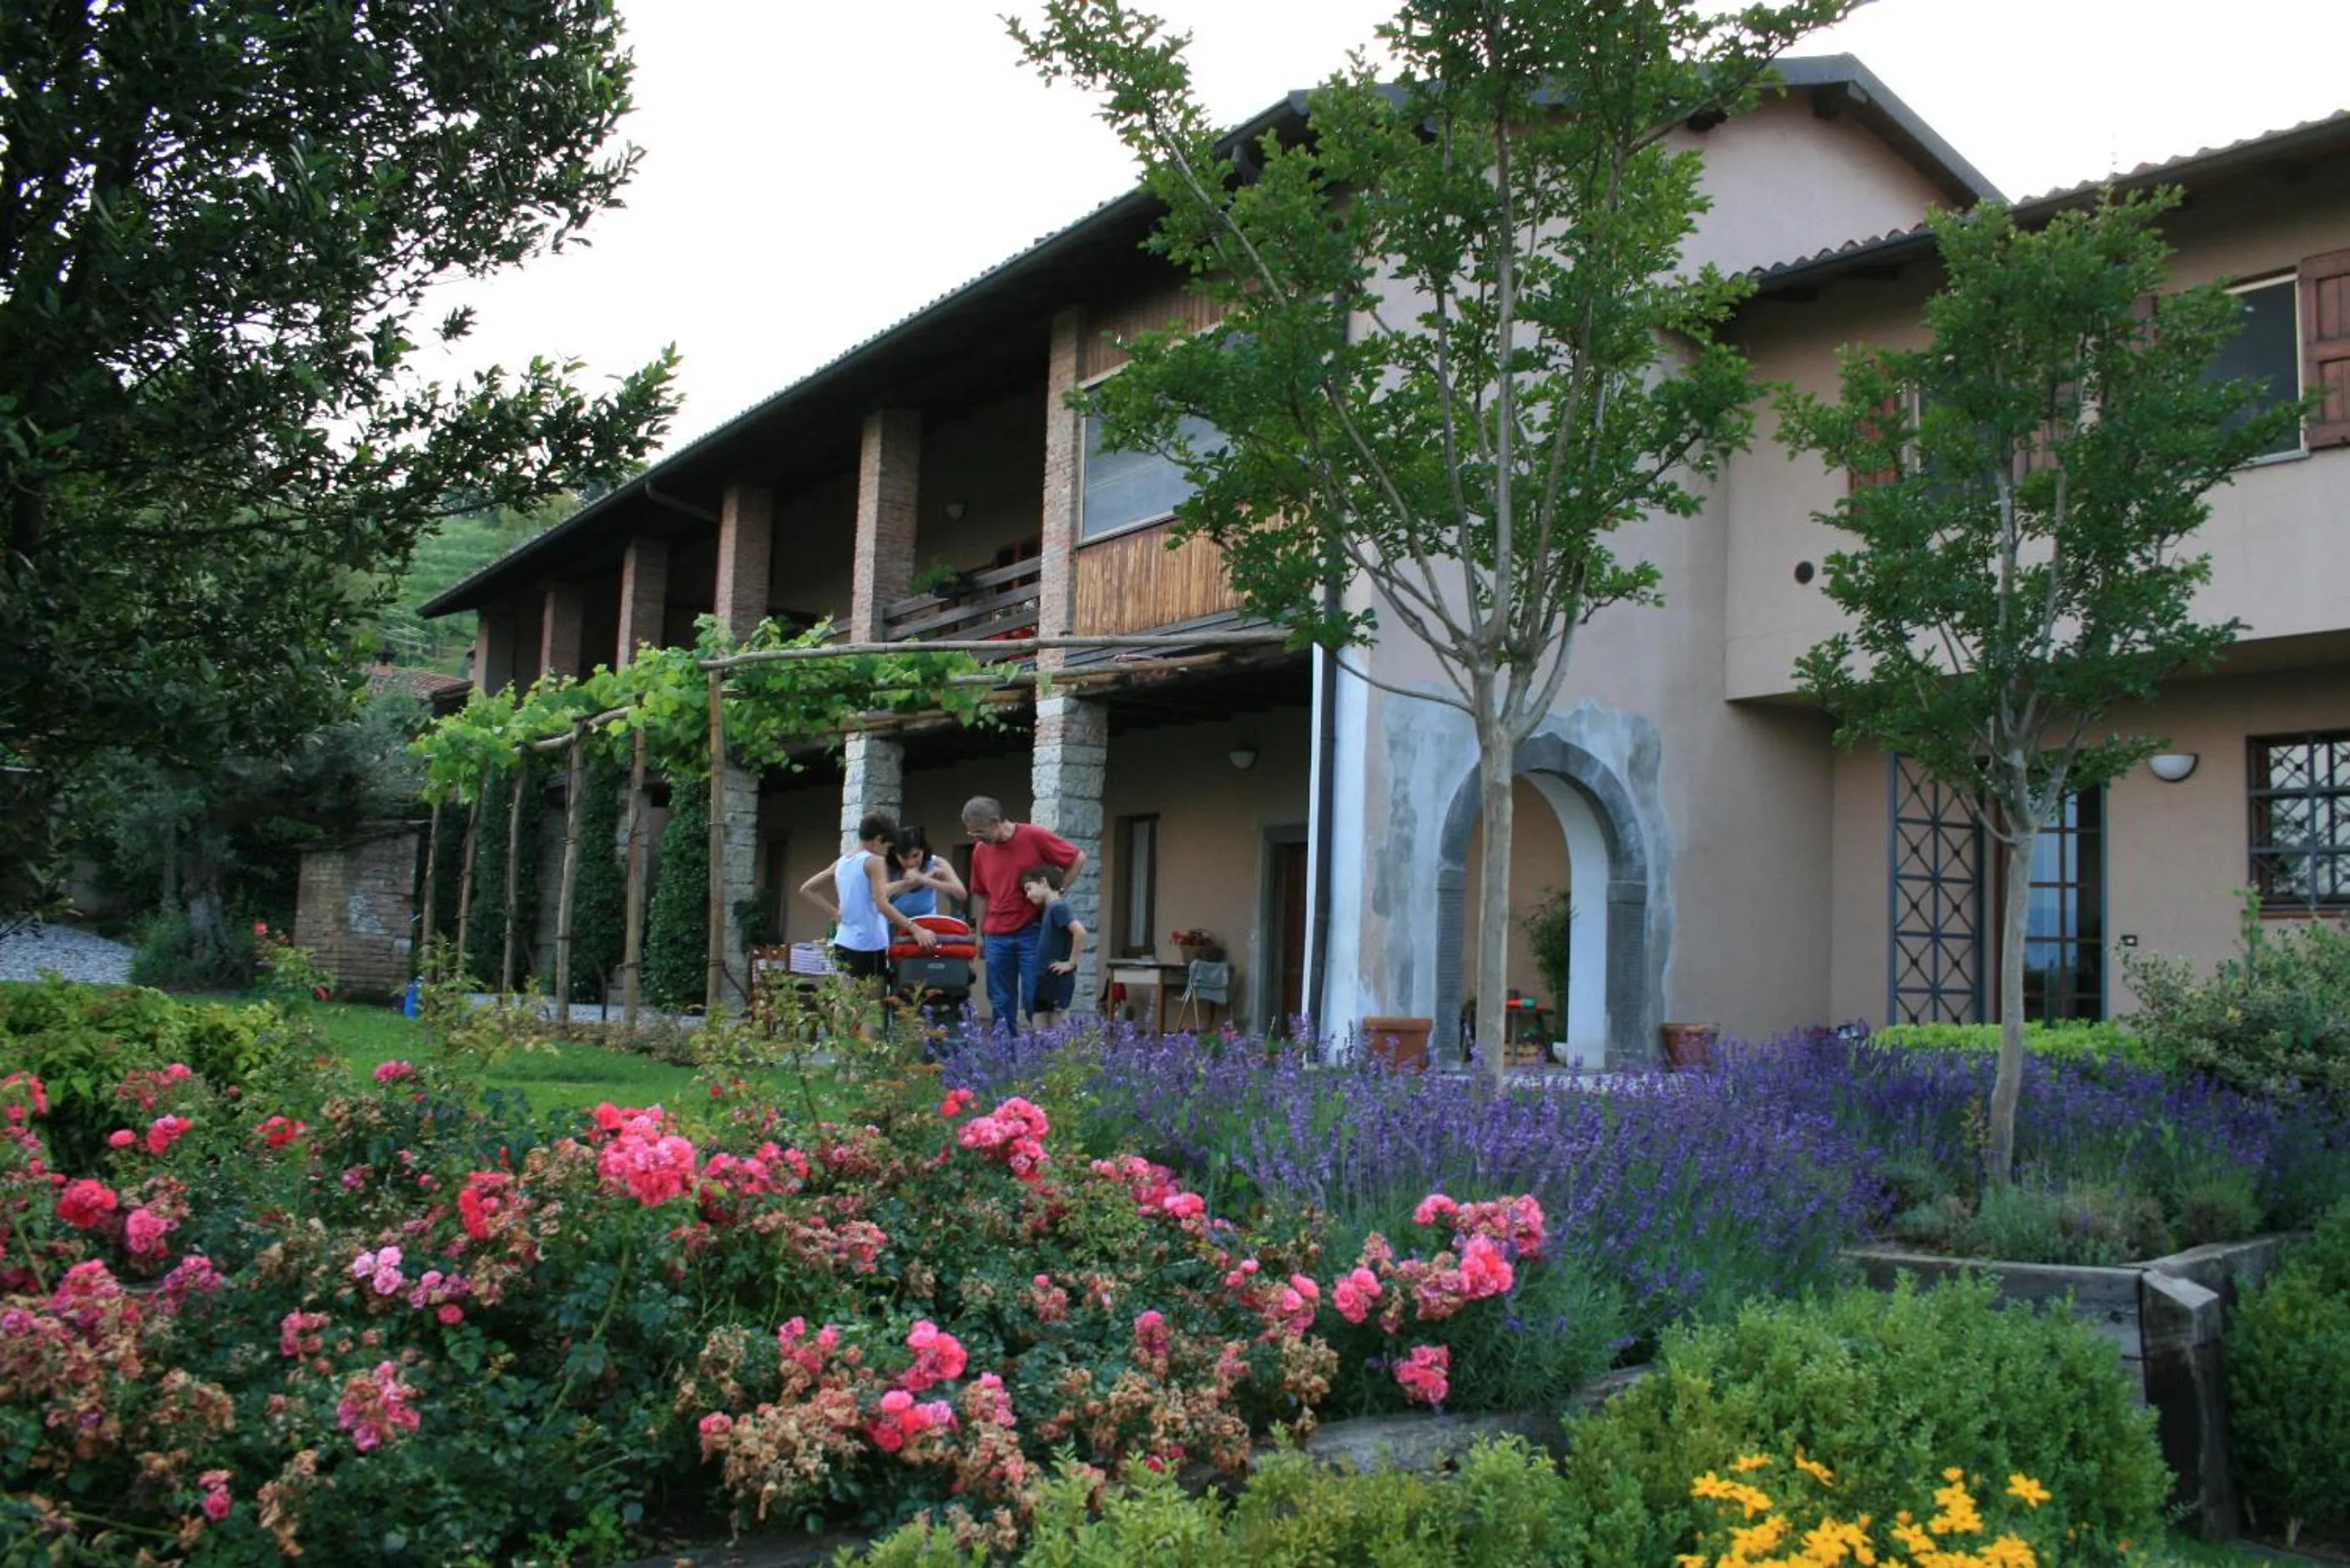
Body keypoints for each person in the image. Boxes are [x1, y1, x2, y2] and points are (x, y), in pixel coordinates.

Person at [961, 795, 1085, 1031]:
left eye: (979, 832)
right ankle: (1007, 1057)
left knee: (1034, 997)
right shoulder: (980, 851)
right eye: (971, 834)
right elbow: (983, 895)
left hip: (1032, 931)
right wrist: (979, 935)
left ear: (995, 821)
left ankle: (1038, 1056)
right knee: (1000, 1001)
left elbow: (1078, 859)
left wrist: (1054, 895)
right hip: (996, 935)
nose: (976, 838)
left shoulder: (1034, 836)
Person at [798, 813, 937, 1001]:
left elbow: (807, 889)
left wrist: (836, 913)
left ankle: (842, 1031)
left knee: (846, 1005)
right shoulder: (874, 860)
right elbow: (881, 903)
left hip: (844, 942)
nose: (887, 853)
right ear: (878, 840)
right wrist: (916, 929)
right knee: (872, 1009)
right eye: (887, 847)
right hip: (868, 945)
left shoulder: (844, 860)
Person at [1020, 863, 1085, 1030]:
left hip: (1056, 979)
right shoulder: (1048, 910)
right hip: (1044, 978)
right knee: (1039, 1030)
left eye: (1029, 888)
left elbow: (1080, 932)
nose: (1027, 896)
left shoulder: (1058, 907)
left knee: (1058, 1031)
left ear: (1043, 882)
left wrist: (1071, 963)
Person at [885, 824, 965, 919]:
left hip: (927, 921)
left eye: (916, 856)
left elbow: (961, 894)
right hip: (896, 922)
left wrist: (927, 880)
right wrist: (907, 883)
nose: (911, 863)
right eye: (904, 858)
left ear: (923, 850)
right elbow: (878, 893)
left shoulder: (936, 863)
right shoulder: (888, 867)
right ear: (895, 855)